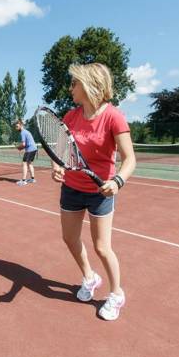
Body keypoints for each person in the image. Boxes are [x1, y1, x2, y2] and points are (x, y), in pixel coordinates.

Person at [51, 63, 136, 321]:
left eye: (74, 83)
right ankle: (89, 277)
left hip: (101, 192)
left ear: (89, 85)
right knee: (69, 238)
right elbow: (60, 151)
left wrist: (118, 181)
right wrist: (57, 167)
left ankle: (116, 293)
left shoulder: (113, 116)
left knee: (102, 247)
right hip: (72, 189)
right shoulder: (70, 116)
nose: (70, 88)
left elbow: (129, 158)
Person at [14, 119, 38, 186]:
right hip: (34, 148)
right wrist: (20, 147)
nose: (16, 128)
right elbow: (26, 144)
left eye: (17, 126)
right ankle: (32, 179)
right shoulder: (26, 131)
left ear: (21, 125)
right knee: (30, 163)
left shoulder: (23, 132)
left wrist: (19, 147)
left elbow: (24, 144)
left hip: (30, 149)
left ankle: (24, 181)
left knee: (24, 163)